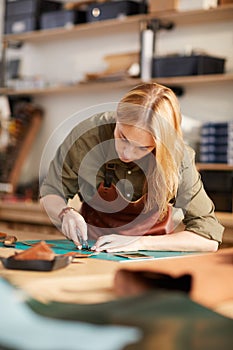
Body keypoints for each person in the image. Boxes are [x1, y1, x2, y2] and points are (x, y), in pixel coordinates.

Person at [40, 83, 224, 253]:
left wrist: (139, 242)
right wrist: (65, 213)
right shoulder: (87, 137)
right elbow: (51, 191)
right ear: (118, 116)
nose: (126, 154)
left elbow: (209, 238)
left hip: (150, 256)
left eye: (143, 147)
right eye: (123, 137)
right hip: (93, 249)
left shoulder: (177, 157)